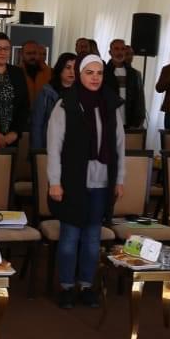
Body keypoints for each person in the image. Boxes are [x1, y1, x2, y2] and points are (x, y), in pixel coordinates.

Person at [46, 55, 124, 309]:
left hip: (102, 183)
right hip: (72, 181)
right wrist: (54, 181)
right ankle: (67, 287)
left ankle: (87, 286)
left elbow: (119, 146)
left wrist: (119, 179)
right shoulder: (65, 104)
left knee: (92, 238)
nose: (94, 77)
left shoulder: (111, 103)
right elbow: (54, 147)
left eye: (99, 73)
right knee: (70, 237)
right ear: (79, 75)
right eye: (89, 72)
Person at [30, 52, 78, 150]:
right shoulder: (46, 92)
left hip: (74, 147)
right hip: (49, 145)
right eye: (68, 67)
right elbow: (37, 124)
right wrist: (37, 151)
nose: (72, 72)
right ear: (60, 69)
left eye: (75, 68)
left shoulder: (82, 93)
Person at [106, 38, 146, 129]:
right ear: (110, 52)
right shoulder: (103, 72)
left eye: (123, 49)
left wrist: (140, 119)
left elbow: (139, 99)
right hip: (109, 121)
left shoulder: (134, 74)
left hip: (130, 121)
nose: (120, 52)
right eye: (116, 49)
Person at [19, 40, 50, 104]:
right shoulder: (15, 73)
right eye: (28, 53)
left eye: (35, 53)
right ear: (22, 54)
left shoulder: (50, 72)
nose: (32, 56)